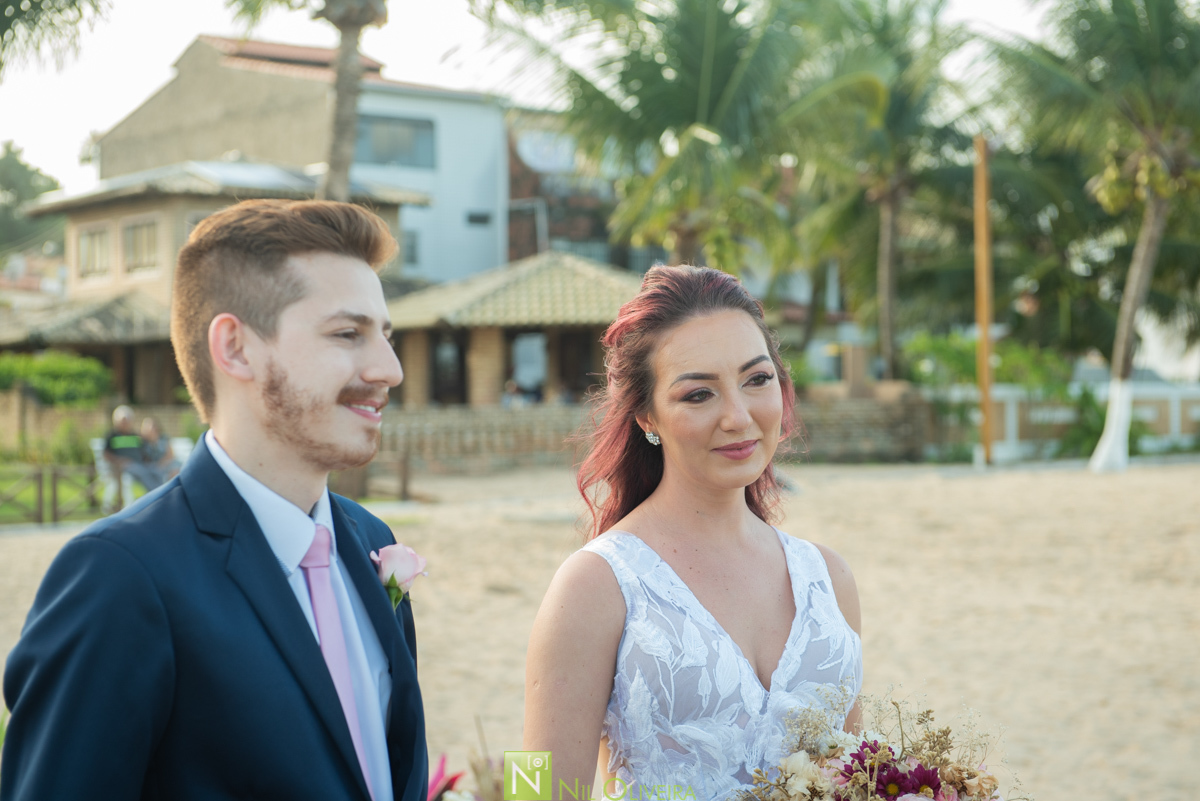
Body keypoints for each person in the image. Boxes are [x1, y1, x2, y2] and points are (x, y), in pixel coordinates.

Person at [2, 199, 427, 801]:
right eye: (347, 334)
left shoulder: (372, 543)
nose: (390, 368)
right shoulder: (120, 578)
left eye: (385, 335)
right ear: (235, 348)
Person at [523, 266, 863, 799]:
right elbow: (534, 788)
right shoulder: (595, 585)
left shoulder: (828, 578)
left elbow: (858, 775)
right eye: (698, 395)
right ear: (645, 416)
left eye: (757, 379)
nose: (738, 417)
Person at [103, 404, 165, 492]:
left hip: (140, 464)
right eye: (123, 421)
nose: (125, 423)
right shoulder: (112, 436)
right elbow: (106, 454)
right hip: (124, 466)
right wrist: (118, 461)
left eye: (127, 420)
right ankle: (155, 494)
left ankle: (161, 493)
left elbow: (144, 452)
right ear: (116, 421)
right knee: (143, 473)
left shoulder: (136, 436)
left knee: (157, 471)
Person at [140, 415, 182, 483]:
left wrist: (162, 464)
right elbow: (145, 459)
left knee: (176, 470)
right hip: (153, 466)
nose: (151, 428)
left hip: (168, 463)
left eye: (153, 426)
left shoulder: (163, 438)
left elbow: (170, 455)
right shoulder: (143, 442)